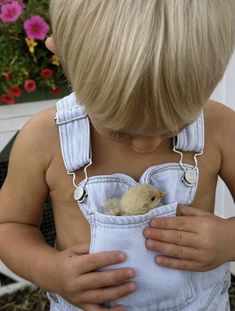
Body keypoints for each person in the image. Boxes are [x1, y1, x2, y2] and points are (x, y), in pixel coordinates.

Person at [0, 0, 235, 310]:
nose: (146, 146)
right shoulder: (45, 138)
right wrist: (51, 271)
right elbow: (10, 225)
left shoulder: (220, 128)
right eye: (118, 129)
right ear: (62, 56)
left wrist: (228, 240)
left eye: (176, 124)